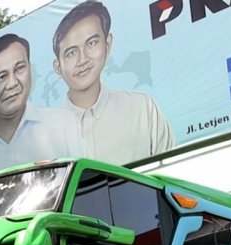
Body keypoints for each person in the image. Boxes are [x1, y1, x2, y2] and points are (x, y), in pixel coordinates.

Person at [52, 0, 174, 164]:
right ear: (58, 67)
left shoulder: (142, 109)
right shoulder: (47, 136)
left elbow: (171, 175)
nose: (83, 59)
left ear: (107, 44)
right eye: (71, 52)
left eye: (92, 43)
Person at [0, 33, 83, 183]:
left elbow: (87, 186)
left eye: (20, 69)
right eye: (1, 77)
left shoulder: (64, 125)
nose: (13, 83)